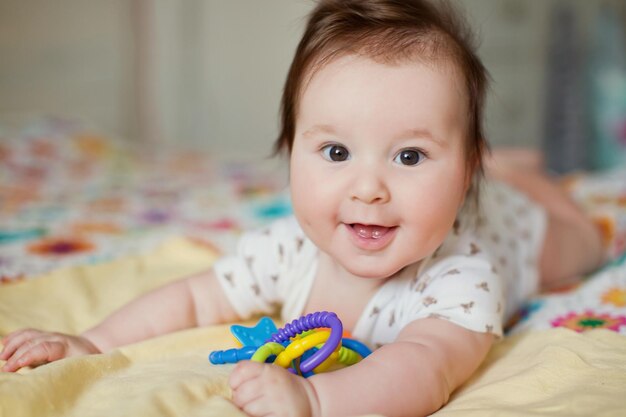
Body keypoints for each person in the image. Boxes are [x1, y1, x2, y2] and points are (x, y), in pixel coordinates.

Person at [0, 1, 604, 416]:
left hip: (515, 229)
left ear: (463, 169)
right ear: (290, 153)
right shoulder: (288, 247)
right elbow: (194, 297)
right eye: (336, 151)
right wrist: (91, 342)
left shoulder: (462, 277)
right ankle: (497, 166)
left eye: (411, 156)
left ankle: (525, 180)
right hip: (477, 181)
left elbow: (427, 367)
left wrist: (318, 402)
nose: (368, 189)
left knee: (585, 242)